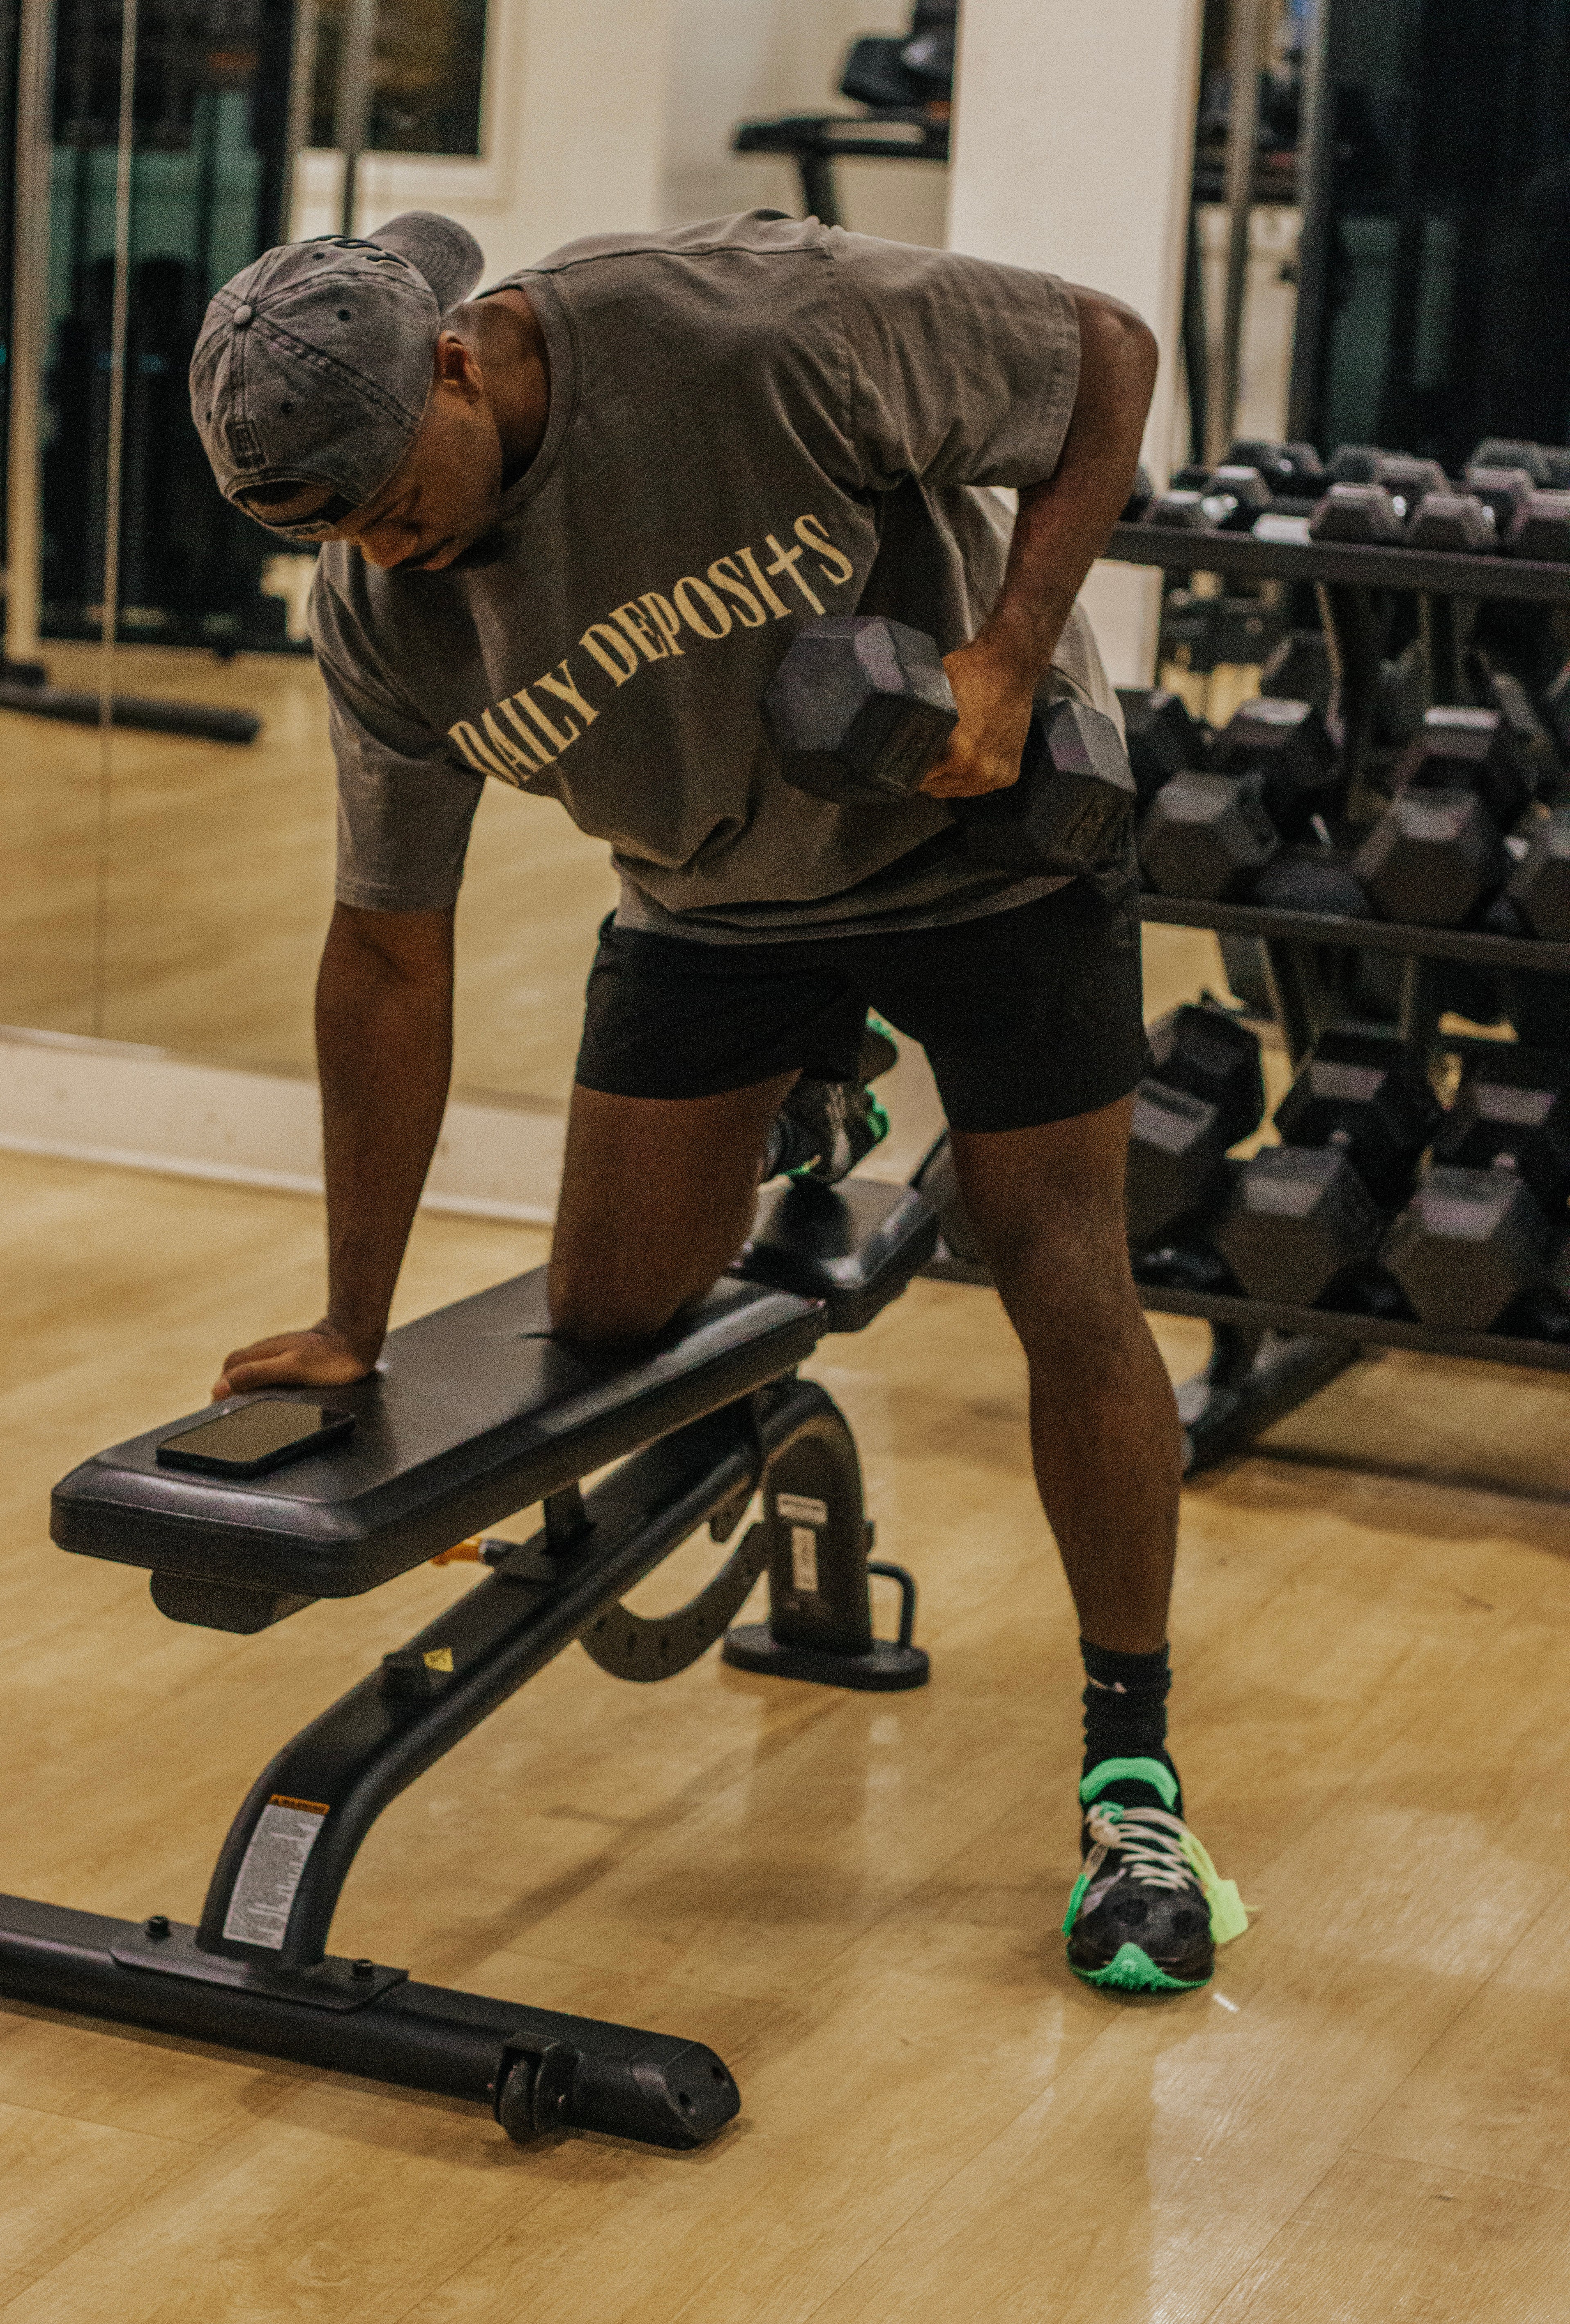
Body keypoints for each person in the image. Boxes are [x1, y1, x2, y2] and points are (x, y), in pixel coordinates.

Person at [189, 206, 1244, 1995]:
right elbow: (387, 955)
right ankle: (809, 1077)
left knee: (1058, 1262)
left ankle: (1131, 1772)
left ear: (457, 360)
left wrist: (1006, 654)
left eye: (387, 497)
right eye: (335, 533)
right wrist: (348, 1319)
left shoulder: (743, 329)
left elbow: (1104, 359)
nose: (384, 547)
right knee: (609, 1309)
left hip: (982, 848)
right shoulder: (384, 619)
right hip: (710, 898)